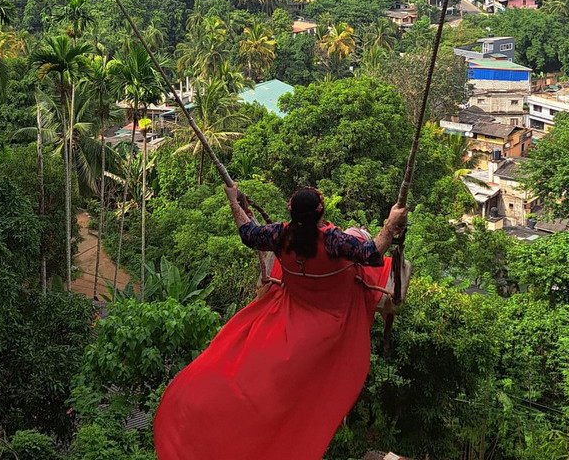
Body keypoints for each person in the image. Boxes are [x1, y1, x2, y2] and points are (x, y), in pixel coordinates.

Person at [154, 182, 409, 460]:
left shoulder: (279, 235)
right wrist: (390, 225)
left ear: (291, 213)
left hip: (290, 310)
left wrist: (234, 202)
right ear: (320, 214)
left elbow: (247, 233)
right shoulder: (335, 241)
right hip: (331, 317)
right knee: (359, 242)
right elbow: (373, 253)